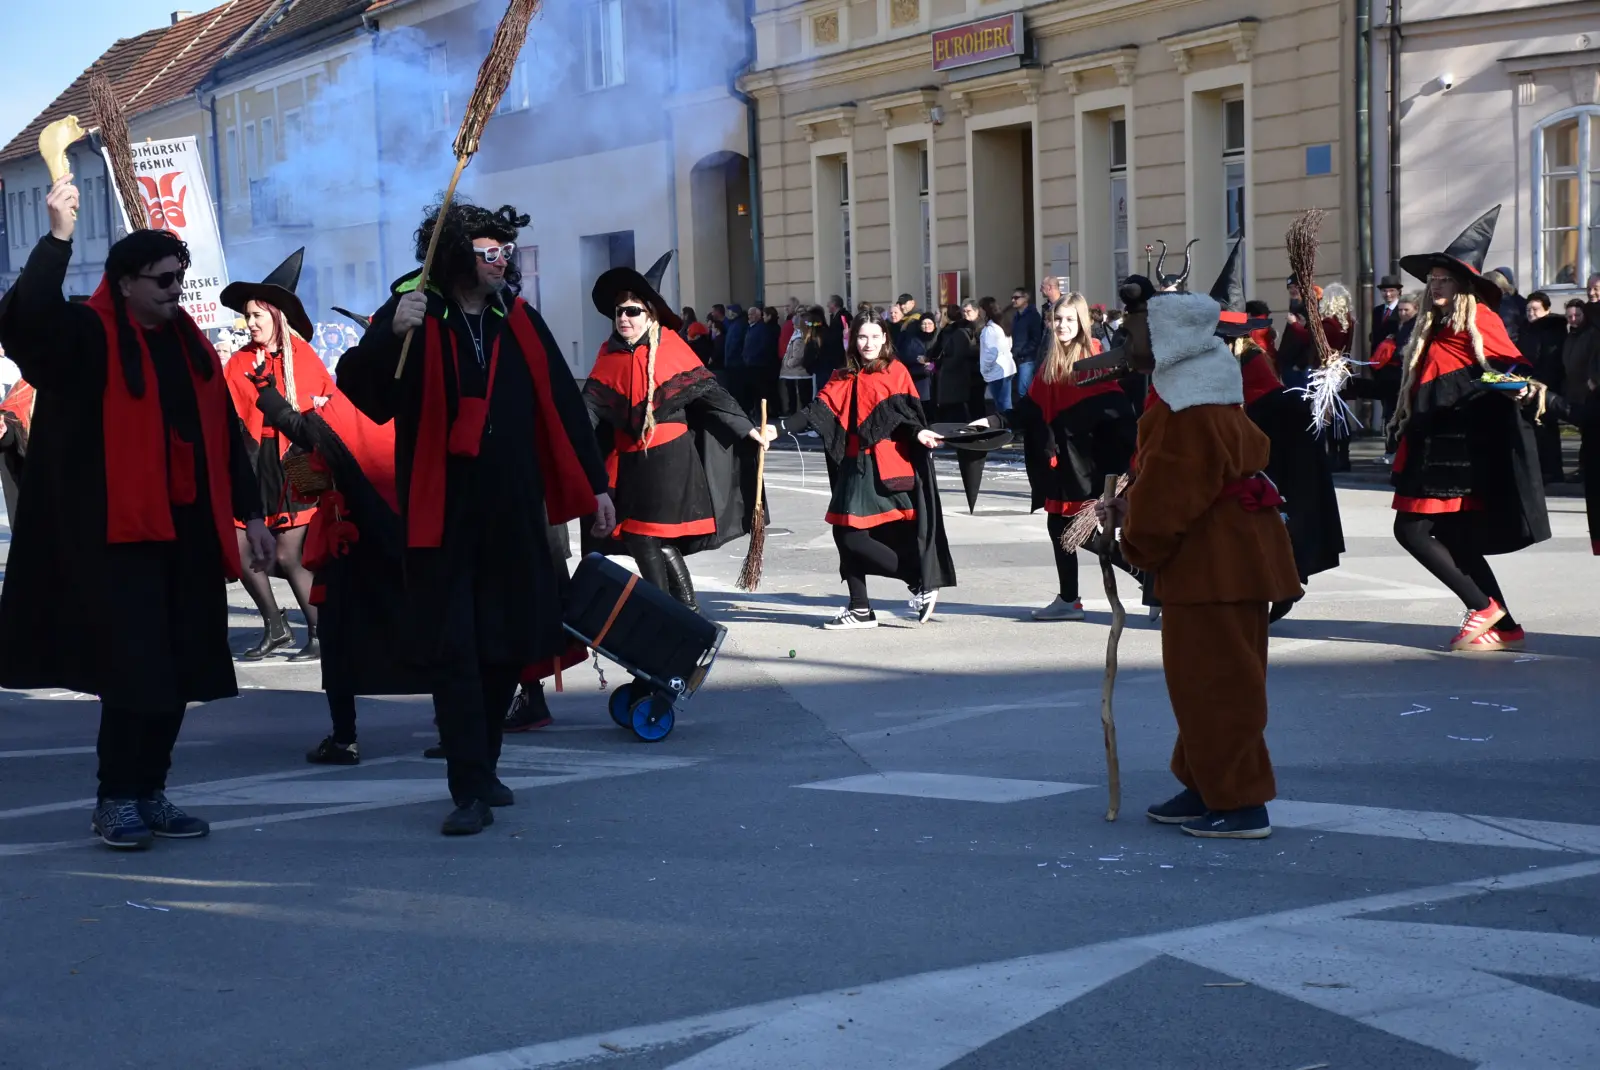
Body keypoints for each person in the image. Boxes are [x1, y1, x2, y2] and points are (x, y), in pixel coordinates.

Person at [0, 175, 275, 849]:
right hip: (114, 540)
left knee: (177, 670)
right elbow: (24, 320)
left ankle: (151, 790)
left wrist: (254, 515)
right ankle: (115, 798)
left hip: (184, 536)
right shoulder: (86, 337)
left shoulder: (190, 347)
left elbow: (222, 439)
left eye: (179, 279)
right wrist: (59, 237)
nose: (174, 292)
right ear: (124, 283)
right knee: (135, 673)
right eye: (161, 281)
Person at [337, 199, 613, 836]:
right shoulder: (414, 314)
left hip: (513, 512)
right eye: (490, 250)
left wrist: (596, 485)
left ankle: (485, 763)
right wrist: (387, 335)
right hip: (443, 514)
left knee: (502, 648)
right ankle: (467, 785)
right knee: (456, 650)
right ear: (458, 253)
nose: (503, 260)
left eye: (507, 250)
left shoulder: (516, 318)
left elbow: (564, 407)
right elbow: (363, 392)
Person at [1095, 275, 1302, 839]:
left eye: (1135, 329)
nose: (1125, 339)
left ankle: (1238, 801)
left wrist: (1134, 541)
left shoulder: (1189, 409)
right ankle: (1205, 783)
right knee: (1200, 680)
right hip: (1218, 562)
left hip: (1218, 565)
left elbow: (1173, 492)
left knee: (1219, 683)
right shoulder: (1193, 395)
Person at [1388, 206, 1550, 653]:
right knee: (1454, 538)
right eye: (1432, 279)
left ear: (1462, 285)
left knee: (1411, 532)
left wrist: (1489, 388)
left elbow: (1511, 369)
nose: (1434, 285)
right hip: (1429, 444)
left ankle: (1482, 607)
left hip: (1456, 450)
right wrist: (1348, 378)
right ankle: (1507, 626)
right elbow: (1411, 384)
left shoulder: (1480, 319)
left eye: (1443, 279)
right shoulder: (1431, 327)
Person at [583, 260, 773, 611]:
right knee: (648, 535)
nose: (623, 318)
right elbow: (589, 408)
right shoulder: (608, 354)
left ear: (649, 313)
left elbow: (712, 396)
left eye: (631, 311)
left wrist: (748, 429)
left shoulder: (669, 345)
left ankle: (671, 610)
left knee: (644, 533)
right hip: (630, 460)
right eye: (618, 312)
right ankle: (685, 609)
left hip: (670, 456)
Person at [787, 310, 954, 628]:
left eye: (876, 337)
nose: (869, 343)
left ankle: (917, 579)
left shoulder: (895, 371)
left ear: (885, 339)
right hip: (851, 462)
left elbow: (908, 418)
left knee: (852, 537)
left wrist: (920, 432)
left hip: (882, 465)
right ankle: (860, 607)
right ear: (852, 340)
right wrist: (778, 429)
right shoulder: (844, 374)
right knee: (843, 533)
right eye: (863, 336)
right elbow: (817, 409)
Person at [220, 250, 338, 661]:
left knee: (291, 554)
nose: (250, 323)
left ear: (276, 316)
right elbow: (227, 415)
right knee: (237, 547)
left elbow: (319, 415)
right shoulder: (236, 363)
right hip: (253, 463)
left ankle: (321, 631)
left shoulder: (300, 357)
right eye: (247, 316)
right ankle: (275, 624)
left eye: (257, 315)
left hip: (295, 463)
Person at [1014, 292, 1136, 621]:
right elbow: (1029, 409)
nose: (1062, 325)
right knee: (1060, 526)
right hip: (1062, 466)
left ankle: (1145, 573)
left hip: (1088, 467)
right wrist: (986, 424)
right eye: (1058, 319)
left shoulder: (1095, 361)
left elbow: (1119, 417)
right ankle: (1069, 599)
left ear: (1082, 323)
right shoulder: (1051, 363)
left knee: (1074, 531)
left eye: (1069, 319)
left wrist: (1121, 469)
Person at [1521, 291, 1570, 483]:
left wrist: (1542, 384)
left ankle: (1552, 471)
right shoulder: (1527, 328)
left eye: (1535, 309)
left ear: (1546, 309)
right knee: (1534, 428)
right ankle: (1540, 470)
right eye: (1528, 309)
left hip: (1546, 386)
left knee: (1546, 428)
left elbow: (1552, 360)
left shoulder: (1553, 330)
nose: (1531, 313)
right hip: (1529, 383)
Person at [928, 303, 983, 424]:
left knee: (962, 409)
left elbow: (956, 355)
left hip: (961, 375)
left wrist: (938, 365)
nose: (935, 316)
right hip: (947, 375)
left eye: (938, 313)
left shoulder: (959, 332)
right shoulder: (944, 331)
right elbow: (934, 353)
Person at [975, 297, 1016, 418]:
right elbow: (1009, 345)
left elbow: (991, 353)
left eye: (980, 309)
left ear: (984, 310)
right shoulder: (1001, 324)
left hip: (997, 371)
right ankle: (1009, 429)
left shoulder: (990, 330)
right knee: (1004, 403)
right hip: (1006, 368)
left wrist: (985, 369)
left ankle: (1008, 430)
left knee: (1002, 405)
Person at [779, 306, 820, 417]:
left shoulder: (801, 335)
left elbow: (798, 355)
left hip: (800, 372)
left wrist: (789, 363)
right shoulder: (800, 333)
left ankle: (806, 419)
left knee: (805, 397)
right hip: (799, 372)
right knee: (803, 396)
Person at [1008, 287, 1044, 399]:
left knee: (1024, 392)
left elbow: (1036, 339)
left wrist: (1022, 353)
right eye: (1012, 298)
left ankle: (1029, 415)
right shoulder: (1016, 316)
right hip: (1016, 359)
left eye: (1016, 297)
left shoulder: (1033, 316)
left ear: (1026, 298)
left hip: (1027, 360)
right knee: (1018, 392)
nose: (1013, 300)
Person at [898, 311, 935, 403]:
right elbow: (904, 356)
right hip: (919, 379)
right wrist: (917, 360)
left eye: (930, 323)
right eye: (924, 323)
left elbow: (941, 359)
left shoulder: (938, 338)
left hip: (935, 380)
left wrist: (931, 365)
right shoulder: (913, 339)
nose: (927, 326)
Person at [1371, 274, 1404, 350]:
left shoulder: (1402, 309)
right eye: (1384, 291)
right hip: (1378, 355)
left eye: (1391, 290)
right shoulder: (1377, 310)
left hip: (1395, 355)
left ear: (1398, 291)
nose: (1388, 294)